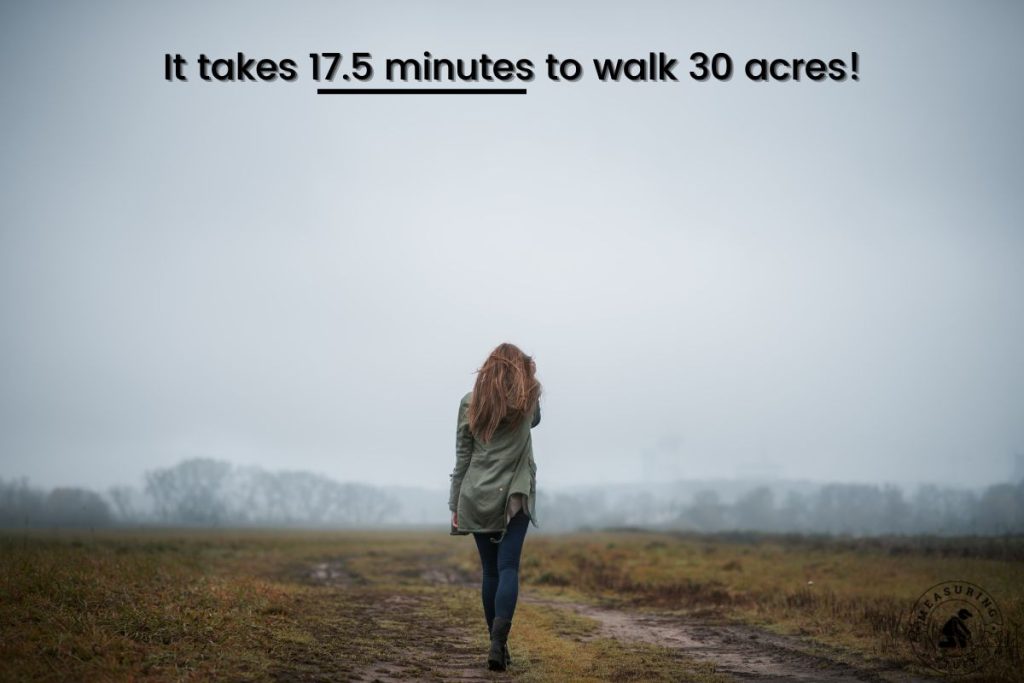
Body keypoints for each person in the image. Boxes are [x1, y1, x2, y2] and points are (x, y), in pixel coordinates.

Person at [448, 342, 541, 672]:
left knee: (489, 571)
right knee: (508, 568)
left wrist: (454, 501)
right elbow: (536, 421)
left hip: (476, 496)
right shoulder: (528, 401)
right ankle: (498, 644)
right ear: (519, 369)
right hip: (514, 496)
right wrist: (527, 375)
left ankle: (496, 643)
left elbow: (463, 457)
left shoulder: (469, 403)